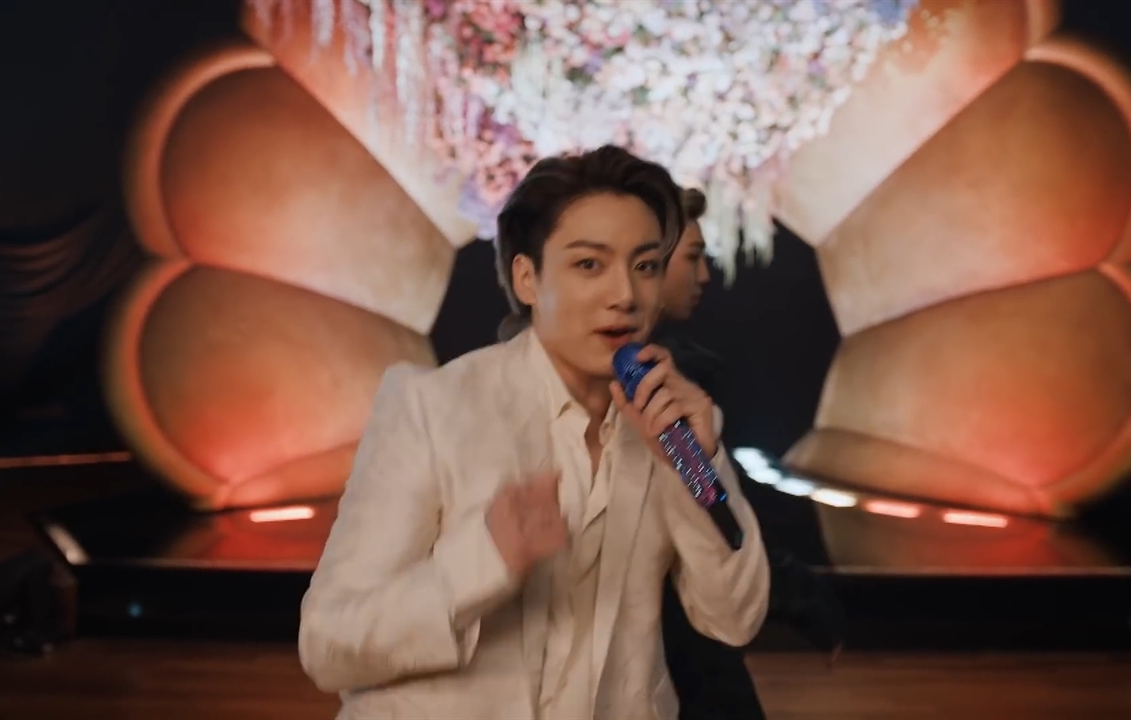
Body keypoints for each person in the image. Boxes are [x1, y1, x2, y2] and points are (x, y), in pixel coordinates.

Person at [299, 146, 770, 720]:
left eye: (646, 266)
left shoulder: (676, 426)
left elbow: (736, 619)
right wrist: (484, 561)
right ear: (527, 278)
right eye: (589, 264)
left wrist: (696, 468)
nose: (625, 294)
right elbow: (328, 644)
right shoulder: (432, 409)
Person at [656, 190, 846, 720]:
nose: (705, 275)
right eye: (692, 257)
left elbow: (711, 503)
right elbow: (713, 509)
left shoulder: (672, 384)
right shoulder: (658, 385)